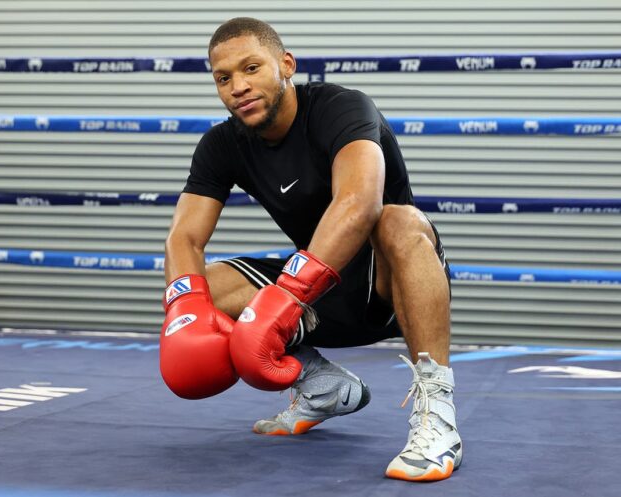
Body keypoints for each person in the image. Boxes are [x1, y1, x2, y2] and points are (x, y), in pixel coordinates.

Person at [159, 17, 462, 482]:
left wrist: (287, 296)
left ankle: (437, 416)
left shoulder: (341, 108)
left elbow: (359, 204)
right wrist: (184, 312)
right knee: (207, 289)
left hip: (389, 289)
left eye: (251, 68)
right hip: (319, 298)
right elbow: (185, 237)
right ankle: (322, 384)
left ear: (286, 65)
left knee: (400, 220)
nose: (238, 86)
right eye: (224, 78)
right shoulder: (222, 143)